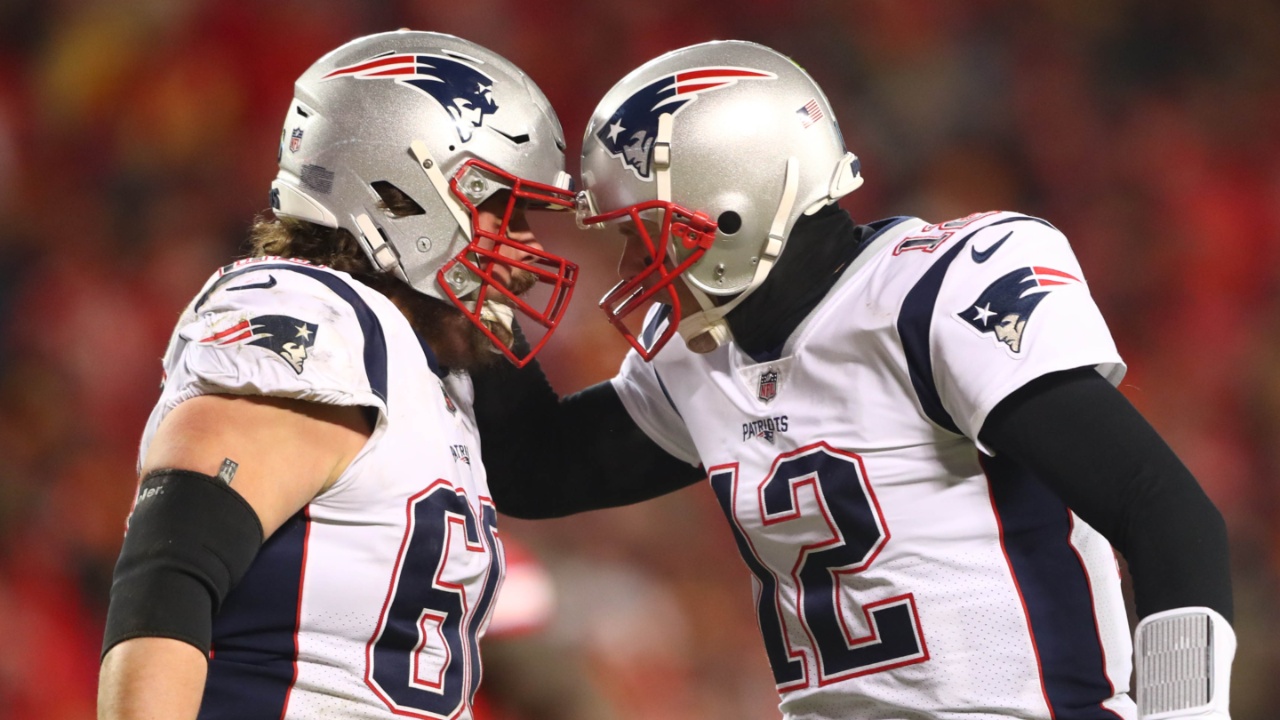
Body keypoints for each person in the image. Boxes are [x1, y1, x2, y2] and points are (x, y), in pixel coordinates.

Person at [470, 41, 1236, 719]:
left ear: (732, 209)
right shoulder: (707, 354)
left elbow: (1162, 511)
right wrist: (475, 280)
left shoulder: (930, 300)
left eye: (648, 236)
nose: (635, 270)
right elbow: (536, 470)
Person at [97, 30, 580, 719]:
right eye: (504, 210)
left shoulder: (425, 374)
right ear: (400, 196)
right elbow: (168, 577)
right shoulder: (318, 321)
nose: (527, 246)